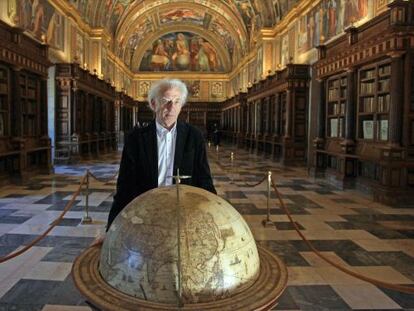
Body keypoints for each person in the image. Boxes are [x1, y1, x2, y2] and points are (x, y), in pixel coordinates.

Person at [106, 79, 216, 230]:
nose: (172, 107)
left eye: (177, 102)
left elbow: (204, 180)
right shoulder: (136, 139)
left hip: (184, 214)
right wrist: (111, 228)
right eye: (166, 101)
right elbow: (125, 187)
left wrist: (216, 219)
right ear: (153, 104)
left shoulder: (194, 136)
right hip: (146, 214)